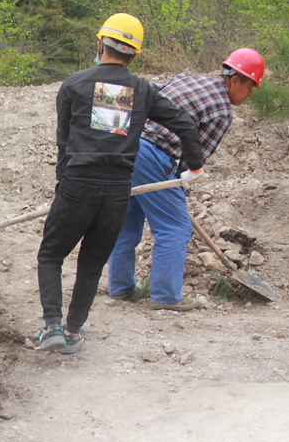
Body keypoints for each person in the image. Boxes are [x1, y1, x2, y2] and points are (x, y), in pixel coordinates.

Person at [34, 14, 205, 354]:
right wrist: (194, 169)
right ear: (134, 55)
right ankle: (73, 332)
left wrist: (62, 188)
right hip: (117, 192)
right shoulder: (142, 90)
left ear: (100, 44)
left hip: (78, 184)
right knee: (92, 262)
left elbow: (64, 144)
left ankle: (52, 326)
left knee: (51, 254)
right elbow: (185, 124)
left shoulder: (73, 85)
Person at [108, 48, 265, 311]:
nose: (250, 94)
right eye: (250, 87)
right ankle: (166, 296)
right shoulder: (223, 111)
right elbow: (195, 156)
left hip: (125, 147)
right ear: (235, 80)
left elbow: (145, 93)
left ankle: (120, 288)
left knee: (128, 220)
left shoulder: (188, 79)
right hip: (153, 155)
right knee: (175, 227)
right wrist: (181, 191)